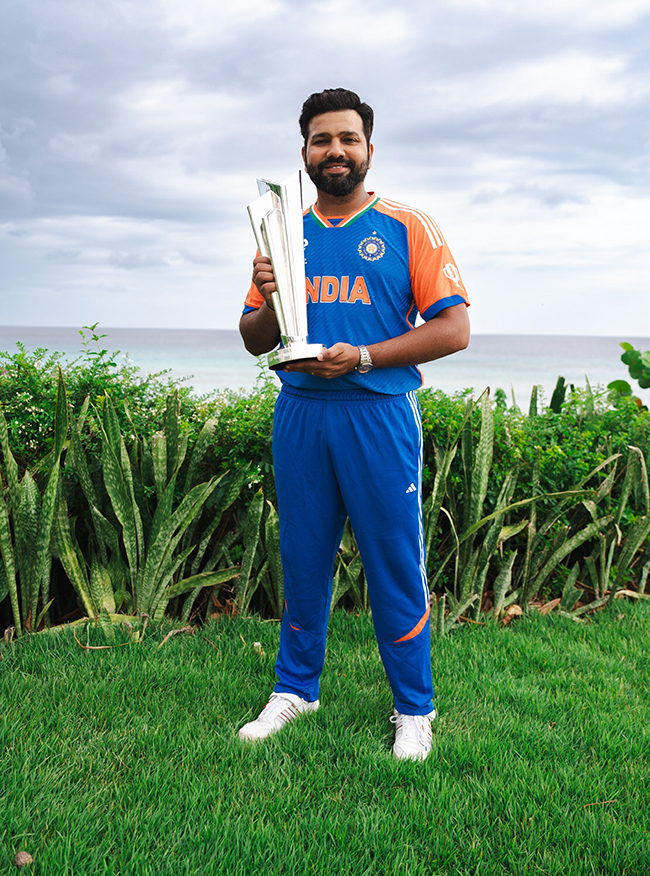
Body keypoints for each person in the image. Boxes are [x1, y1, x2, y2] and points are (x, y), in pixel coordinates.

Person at [238, 88, 470, 760]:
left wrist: (365, 356)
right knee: (303, 559)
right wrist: (269, 295)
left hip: (378, 414)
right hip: (302, 413)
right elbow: (254, 338)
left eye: (347, 138)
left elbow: (453, 329)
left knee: (394, 563)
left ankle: (414, 707)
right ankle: (295, 689)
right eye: (320, 140)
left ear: (369, 148)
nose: (334, 151)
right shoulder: (282, 233)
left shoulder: (407, 225)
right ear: (304, 153)